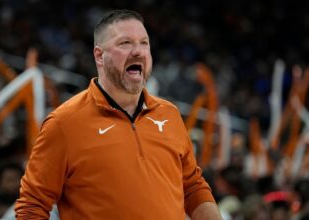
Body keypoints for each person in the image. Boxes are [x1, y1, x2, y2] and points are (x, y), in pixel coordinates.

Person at [15, 9, 222, 219]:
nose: (138, 51)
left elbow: (193, 188)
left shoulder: (170, 114)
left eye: (144, 43)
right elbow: (32, 207)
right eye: (125, 43)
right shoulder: (64, 123)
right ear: (99, 56)